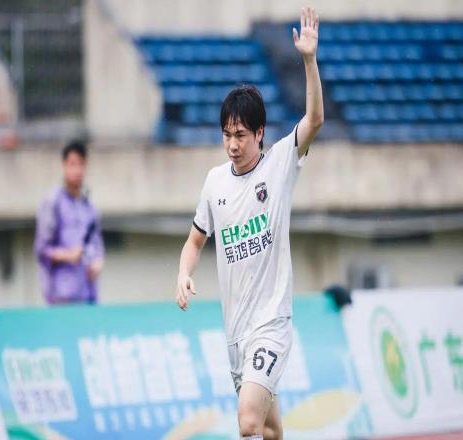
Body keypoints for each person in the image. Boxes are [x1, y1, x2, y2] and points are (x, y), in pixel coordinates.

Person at [175, 7, 323, 439]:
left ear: (259, 133)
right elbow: (195, 241)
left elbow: (314, 120)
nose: (232, 144)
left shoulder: (279, 164)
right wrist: (183, 273)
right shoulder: (215, 182)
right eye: (226, 135)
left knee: (247, 423)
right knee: (271, 431)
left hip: (271, 325)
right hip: (236, 332)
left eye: (240, 135)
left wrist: (309, 60)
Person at [35, 141, 104, 305]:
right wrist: (68, 255)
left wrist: (98, 262)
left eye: (81, 164)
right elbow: (41, 250)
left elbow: (97, 245)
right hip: (62, 297)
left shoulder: (90, 206)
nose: (77, 170)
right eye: (72, 164)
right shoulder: (52, 202)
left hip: (88, 294)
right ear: (64, 166)